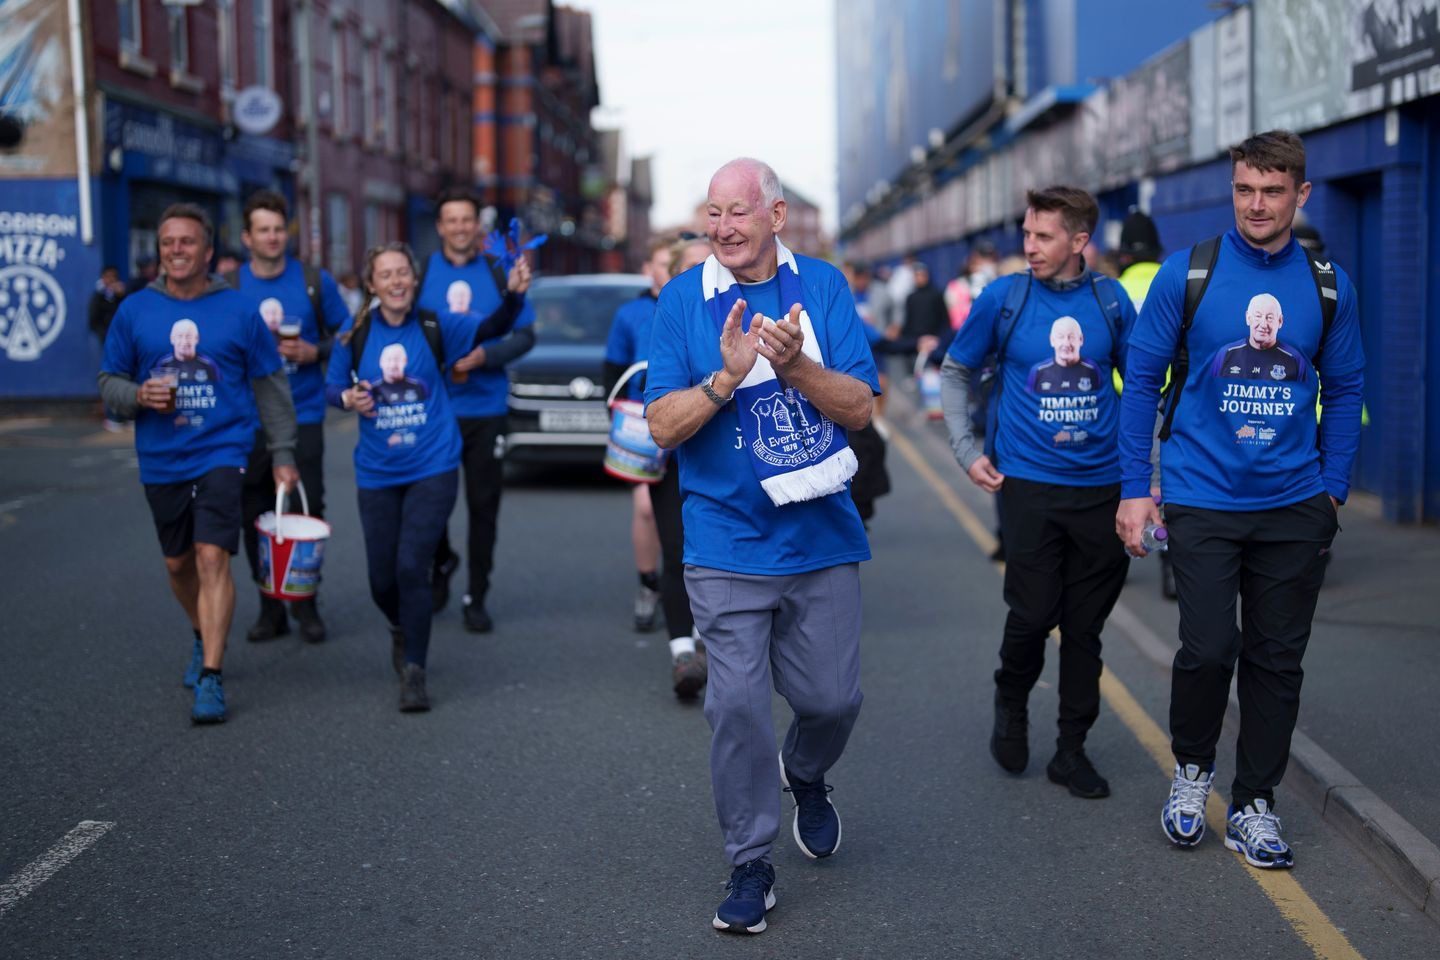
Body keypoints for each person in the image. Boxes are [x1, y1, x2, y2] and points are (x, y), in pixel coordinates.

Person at [1116, 130, 1365, 870]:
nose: (1257, 204)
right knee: (1208, 647)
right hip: (1202, 495)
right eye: (1244, 189)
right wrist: (1136, 489)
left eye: (1272, 190)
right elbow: (1143, 382)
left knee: (1277, 658)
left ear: (1301, 194)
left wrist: (1334, 492)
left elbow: (1347, 387)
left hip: (1295, 504)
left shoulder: (1327, 285)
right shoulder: (1187, 274)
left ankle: (1256, 802)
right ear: (1234, 189)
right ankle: (1192, 773)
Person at [645, 158, 879, 935]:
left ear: (776, 216)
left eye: (739, 212)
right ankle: (750, 861)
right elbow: (661, 426)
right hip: (724, 540)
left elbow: (861, 408)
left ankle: (806, 772)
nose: (723, 228)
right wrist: (724, 378)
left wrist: (796, 365)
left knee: (831, 701)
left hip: (819, 537)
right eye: (713, 213)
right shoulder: (683, 301)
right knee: (737, 706)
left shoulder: (825, 288)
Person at [941, 185, 1137, 801]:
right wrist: (967, 451)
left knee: (1084, 629)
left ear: (1080, 241)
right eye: (1026, 234)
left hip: (1101, 490)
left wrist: (1145, 478)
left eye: (1043, 236)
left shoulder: (1110, 302)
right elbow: (955, 369)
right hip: (1028, 487)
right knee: (1031, 614)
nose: (1029, 246)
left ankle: (1071, 750)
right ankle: (1012, 698)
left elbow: (1144, 388)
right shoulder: (1005, 298)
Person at [98, 203, 299, 724]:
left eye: (187, 242)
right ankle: (199, 630)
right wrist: (139, 394)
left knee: (213, 555)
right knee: (178, 563)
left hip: (223, 451)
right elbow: (108, 383)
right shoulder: (135, 311)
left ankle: (211, 675)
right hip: (162, 456)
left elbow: (270, 384)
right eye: (168, 243)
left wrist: (282, 453)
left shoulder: (236, 311)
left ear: (208, 252)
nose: (176, 251)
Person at [327, 242, 530, 711]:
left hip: (433, 464)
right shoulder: (354, 334)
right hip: (376, 471)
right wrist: (345, 400)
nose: (397, 281)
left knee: (410, 566)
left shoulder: (435, 324)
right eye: (386, 274)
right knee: (382, 580)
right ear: (372, 285)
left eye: (404, 272)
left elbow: (491, 327)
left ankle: (414, 670)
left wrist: (515, 296)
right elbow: (332, 385)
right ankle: (402, 626)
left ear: (413, 280)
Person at [232, 189, 353, 644]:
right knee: (254, 512)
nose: (272, 237)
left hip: (302, 413)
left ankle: (306, 605)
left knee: (307, 506)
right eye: (263, 229)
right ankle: (270, 609)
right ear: (247, 236)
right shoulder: (233, 286)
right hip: (249, 419)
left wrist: (313, 351)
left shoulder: (312, 281)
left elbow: (347, 331)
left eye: (279, 229)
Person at [416, 187, 538, 632]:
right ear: (440, 226)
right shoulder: (422, 271)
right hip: (435, 411)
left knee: (483, 504)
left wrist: (486, 356)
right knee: (431, 502)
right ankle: (441, 563)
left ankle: (476, 595)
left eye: (467, 220)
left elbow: (525, 336)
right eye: (451, 220)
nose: (460, 228)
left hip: (486, 409)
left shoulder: (498, 269)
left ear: (477, 226)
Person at [602, 236, 711, 697]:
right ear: (668, 271)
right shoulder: (651, 316)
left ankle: (711, 634)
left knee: (713, 550)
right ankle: (683, 650)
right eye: (689, 266)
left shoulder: (737, 312)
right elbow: (617, 376)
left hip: (721, 452)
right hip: (662, 450)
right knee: (676, 547)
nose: (700, 273)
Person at [604, 239, 670, 636]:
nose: (668, 271)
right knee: (646, 509)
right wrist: (612, 420)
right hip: (640, 425)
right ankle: (648, 585)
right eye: (662, 264)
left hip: (689, 418)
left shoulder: (698, 303)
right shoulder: (629, 313)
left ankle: (692, 589)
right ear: (649, 268)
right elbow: (612, 370)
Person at [89, 266, 127, 431]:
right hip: (107, 342)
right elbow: (93, 321)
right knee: (110, 376)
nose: (111, 281)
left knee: (126, 376)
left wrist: (122, 295)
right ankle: (112, 416)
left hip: (123, 342)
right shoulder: (98, 297)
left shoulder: (121, 297)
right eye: (108, 277)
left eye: (113, 277)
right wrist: (104, 336)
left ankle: (124, 415)